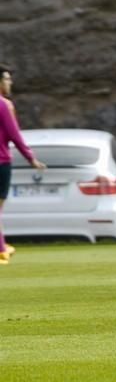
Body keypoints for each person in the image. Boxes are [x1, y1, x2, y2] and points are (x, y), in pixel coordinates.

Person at [0, 64, 46, 265]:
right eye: (7, 79)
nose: (10, 83)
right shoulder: (4, 105)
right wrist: (31, 158)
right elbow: (14, 134)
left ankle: (2, 246)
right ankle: (1, 250)